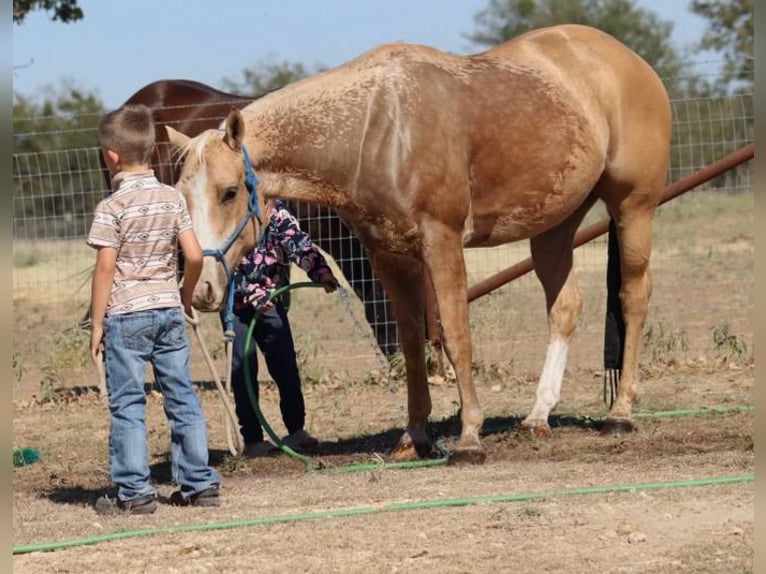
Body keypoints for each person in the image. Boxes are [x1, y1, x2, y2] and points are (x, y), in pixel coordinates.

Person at [87, 104, 220, 515]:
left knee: (128, 403)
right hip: (167, 311)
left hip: (126, 316)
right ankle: (199, 484)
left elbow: (105, 266)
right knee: (181, 395)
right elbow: (194, 256)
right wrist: (183, 295)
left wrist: (96, 325)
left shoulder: (111, 208)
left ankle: (135, 492)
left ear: (111, 156)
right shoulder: (171, 199)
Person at [231, 198, 339, 458]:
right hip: (237, 305)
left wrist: (320, 271)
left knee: (285, 364)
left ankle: (296, 430)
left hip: (271, 302)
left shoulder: (277, 214)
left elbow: (299, 245)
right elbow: (222, 261)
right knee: (242, 370)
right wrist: (250, 291)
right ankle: (254, 439)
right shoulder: (230, 212)